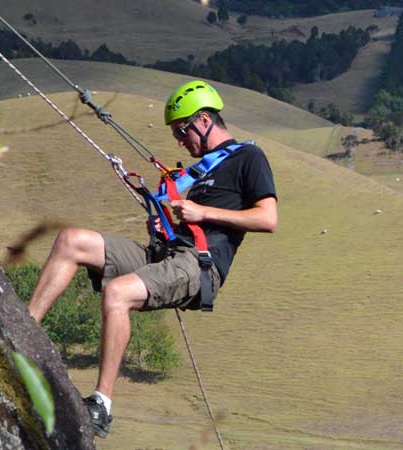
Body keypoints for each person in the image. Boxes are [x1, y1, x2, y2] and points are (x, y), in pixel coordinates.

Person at [25, 80, 278, 438]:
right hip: (168, 253)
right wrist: (163, 224)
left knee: (117, 293)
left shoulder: (248, 158)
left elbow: (268, 219)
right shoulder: (201, 171)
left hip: (199, 265)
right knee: (71, 241)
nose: (179, 140)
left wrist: (201, 212)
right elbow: (187, 220)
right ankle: (22, 330)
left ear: (204, 121)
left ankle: (101, 406)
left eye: (182, 131)